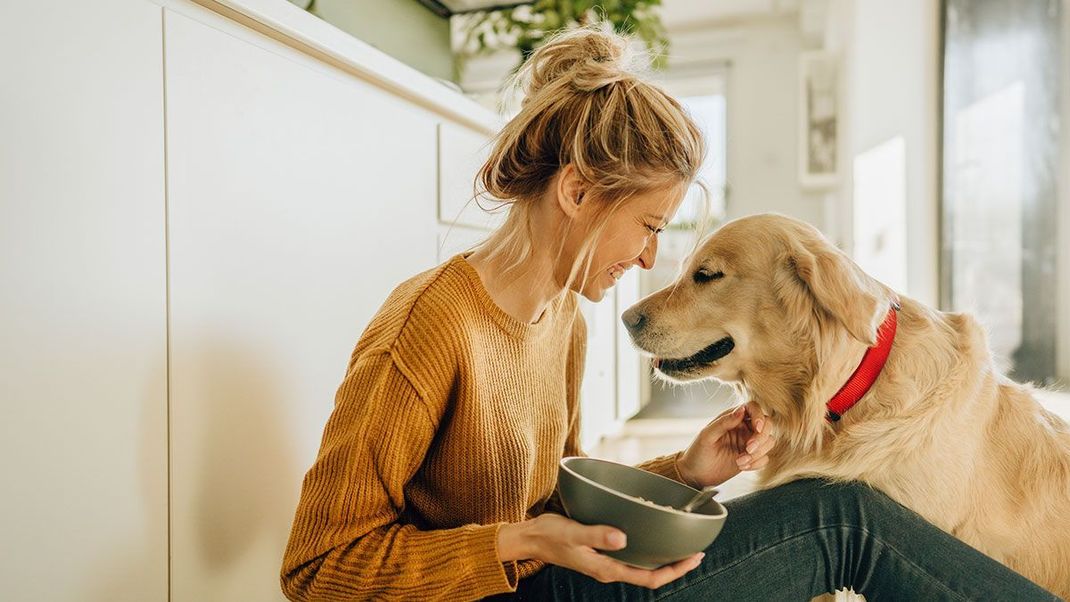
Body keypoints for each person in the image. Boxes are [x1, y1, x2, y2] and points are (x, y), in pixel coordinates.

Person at [279, 27, 1060, 602]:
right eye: (651, 227)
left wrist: (686, 473)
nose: (649, 261)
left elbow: (558, 504)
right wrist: (515, 542)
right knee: (843, 522)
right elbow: (315, 570)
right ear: (579, 192)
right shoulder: (429, 325)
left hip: (549, 580)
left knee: (828, 516)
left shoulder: (562, 322)